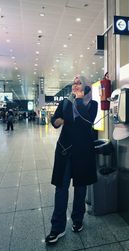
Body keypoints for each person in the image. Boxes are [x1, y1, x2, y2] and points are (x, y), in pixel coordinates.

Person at [45, 75, 98, 245]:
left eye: (79, 83)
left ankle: (77, 219)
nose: (75, 85)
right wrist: (57, 121)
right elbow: (55, 120)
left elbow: (86, 121)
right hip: (65, 151)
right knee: (61, 188)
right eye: (74, 83)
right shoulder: (66, 102)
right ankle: (57, 228)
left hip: (83, 151)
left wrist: (81, 101)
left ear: (86, 86)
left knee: (80, 187)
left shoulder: (92, 104)